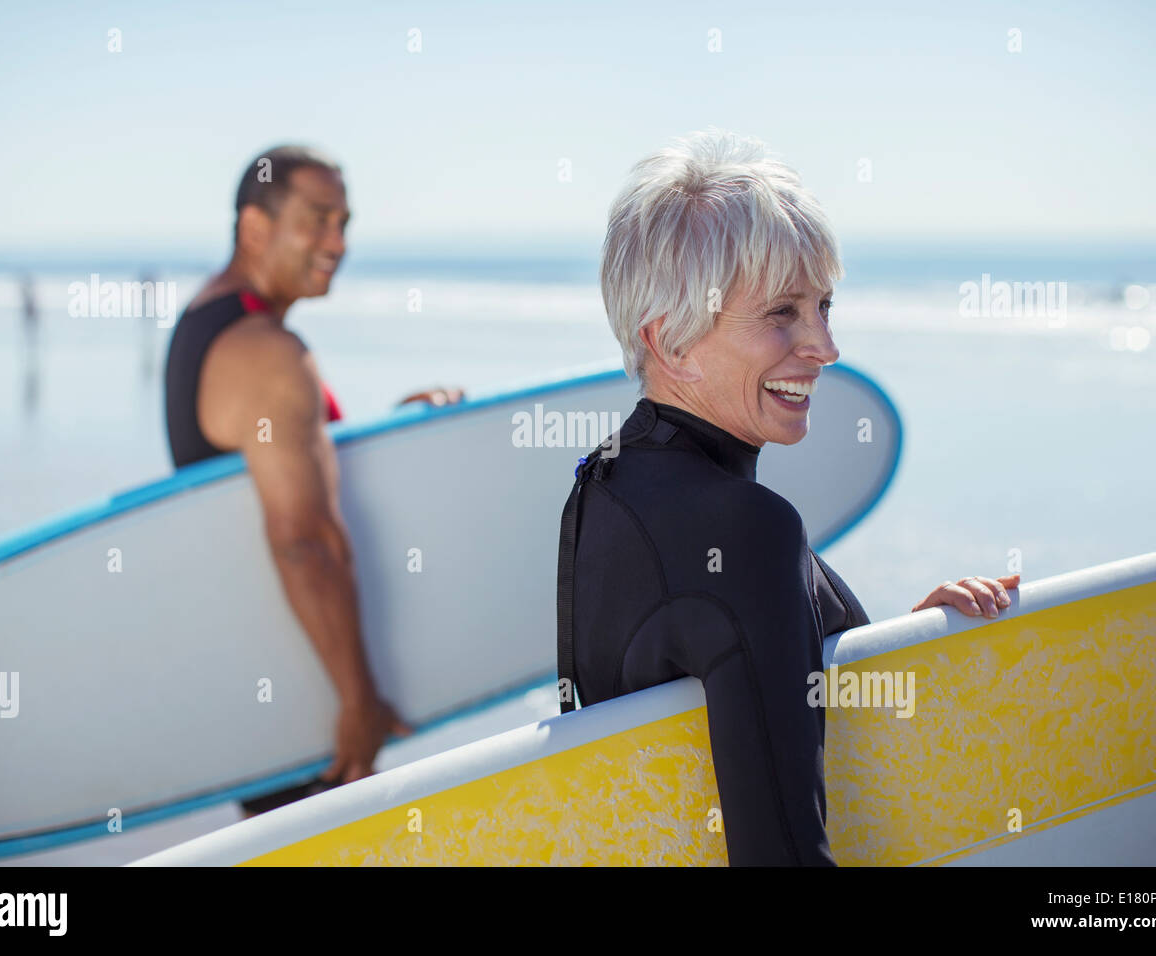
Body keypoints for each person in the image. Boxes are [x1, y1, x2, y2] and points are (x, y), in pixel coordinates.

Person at [557, 130, 1019, 866]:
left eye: (823, 307)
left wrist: (878, 648)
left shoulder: (602, 491)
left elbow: (705, 723)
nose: (825, 346)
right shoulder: (743, 529)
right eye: (782, 313)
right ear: (671, 342)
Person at [164, 145, 462, 816]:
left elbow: (263, 481)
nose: (338, 241)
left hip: (262, 676)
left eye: (345, 222)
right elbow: (302, 537)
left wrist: (407, 443)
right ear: (255, 227)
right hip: (308, 696)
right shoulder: (269, 353)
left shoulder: (208, 325)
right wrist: (358, 700)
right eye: (318, 219)